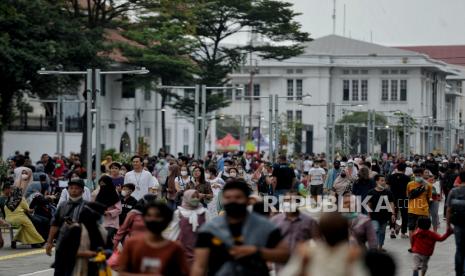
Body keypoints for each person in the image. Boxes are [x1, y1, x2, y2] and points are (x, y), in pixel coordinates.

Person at [191, 179, 289, 276]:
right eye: (228, 198)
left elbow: (285, 254)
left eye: (238, 197)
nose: (232, 201)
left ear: (248, 200)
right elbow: (200, 266)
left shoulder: (264, 225)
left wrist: (256, 251)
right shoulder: (210, 229)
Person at [279, 212, 369, 276]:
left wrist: (303, 263)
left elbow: (288, 273)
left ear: (319, 231)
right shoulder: (351, 252)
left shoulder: (308, 250)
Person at [118, 201, 189, 275]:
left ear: (167, 220)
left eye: (158, 216)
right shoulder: (132, 243)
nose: (152, 219)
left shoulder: (175, 248)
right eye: (149, 215)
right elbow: (122, 273)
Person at [53, 201, 109, 276]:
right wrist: (83, 253)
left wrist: (104, 253)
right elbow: (63, 251)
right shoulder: (76, 230)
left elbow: (109, 248)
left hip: (96, 269)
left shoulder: (102, 231)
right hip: (75, 268)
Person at [46, 179, 87, 256]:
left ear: (82, 191)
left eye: (76, 188)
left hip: (81, 243)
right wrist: (49, 242)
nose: (73, 190)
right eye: (71, 188)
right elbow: (55, 224)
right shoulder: (62, 206)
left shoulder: (87, 207)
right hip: (62, 242)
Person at [169, 189, 207, 266]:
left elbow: (209, 231)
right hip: (183, 247)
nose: (195, 199)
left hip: (200, 248)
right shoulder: (179, 212)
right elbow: (172, 231)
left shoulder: (204, 212)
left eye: (197, 197)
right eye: (193, 197)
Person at [1, 184, 45, 248]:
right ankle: (39, 241)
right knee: (30, 226)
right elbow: (28, 210)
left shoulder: (8, 199)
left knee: (24, 227)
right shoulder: (21, 199)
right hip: (19, 218)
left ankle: (14, 240)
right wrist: (34, 208)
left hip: (8, 219)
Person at [367, 174, 395, 251]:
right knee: (375, 229)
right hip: (374, 216)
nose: (384, 182)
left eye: (384, 180)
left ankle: (380, 246)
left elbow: (391, 203)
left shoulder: (388, 192)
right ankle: (374, 246)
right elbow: (368, 204)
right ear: (377, 181)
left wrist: (393, 214)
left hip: (385, 216)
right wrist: (368, 215)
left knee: (382, 232)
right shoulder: (371, 192)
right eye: (381, 180)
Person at [407, 168, 433, 250]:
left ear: (422, 175)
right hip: (415, 210)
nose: (418, 176)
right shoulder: (410, 184)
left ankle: (414, 247)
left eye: (419, 175)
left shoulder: (428, 185)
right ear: (413, 175)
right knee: (413, 229)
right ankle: (414, 246)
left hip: (420, 210)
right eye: (416, 175)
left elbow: (408, 196)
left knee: (417, 230)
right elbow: (428, 198)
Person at [446, 170, 465, 276]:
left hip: (458, 224)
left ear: (460, 179)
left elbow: (448, 210)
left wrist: (448, 225)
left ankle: (458, 272)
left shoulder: (453, 192)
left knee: (459, 249)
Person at [95, 175, 122, 246]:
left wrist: (108, 212)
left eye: (104, 184)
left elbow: (119, 210)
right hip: (101, 223)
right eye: (101, 184)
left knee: (107, 241)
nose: (102, 186)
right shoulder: (99, 193)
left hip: (112, 223)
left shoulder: (114, 193)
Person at [387, 162, 411, 239]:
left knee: (393, 214)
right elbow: (409, 190)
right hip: (403, 198)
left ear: (397, 168)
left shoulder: (391, 177)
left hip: (393, 198)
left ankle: (392, 230)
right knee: (405, 215)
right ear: (404, 169)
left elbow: (388, 188)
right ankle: (403, 233)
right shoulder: (407, 178)